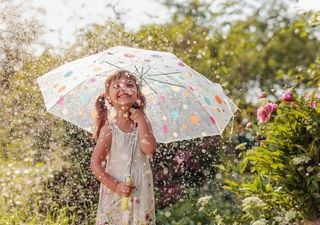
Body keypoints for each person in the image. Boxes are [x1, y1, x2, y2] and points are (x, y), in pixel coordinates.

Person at [90, 69, 157, 225]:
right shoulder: (109, 129)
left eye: (129, 85)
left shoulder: (143, 123)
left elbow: (149, 148)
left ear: (137, 94)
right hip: (117, 189)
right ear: (108, 97)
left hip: (140, 189)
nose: (123, 88)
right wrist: (116, 186)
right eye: (117, 86)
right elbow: (95, 164)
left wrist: (142, 121)